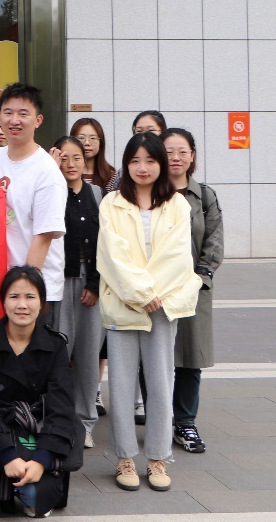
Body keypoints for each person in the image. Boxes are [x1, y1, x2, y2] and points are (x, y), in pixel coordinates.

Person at [97, 133, 202, 492]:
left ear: (161, 164)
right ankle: (125, 457)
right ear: (126, 164)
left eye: (150, 160)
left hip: (162, 306)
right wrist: (139, 293)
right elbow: (111, 254)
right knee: (122, 384)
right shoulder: (112, 203)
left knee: (160, 383)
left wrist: (151, 295)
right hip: (123, 303)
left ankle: (158, 457)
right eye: (135, 161)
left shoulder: (177, 204)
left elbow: (177, 256)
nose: (142, 168)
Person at [0, 266, 79, 522]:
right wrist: (7, 454)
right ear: (3, 301)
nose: (22, 305)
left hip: (37, 425)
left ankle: (23, 482)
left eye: (30, 297)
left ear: (42, 302)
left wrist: (41, 460)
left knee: (35, 500)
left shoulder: (55, 345)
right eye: (14, 296)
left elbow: (61, 406)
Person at [0, 84, 67, 319]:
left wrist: (21, 292)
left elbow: (44, 237)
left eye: (23, 114)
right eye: (8, 112)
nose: (14, 120)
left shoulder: (47, 171)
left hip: (34, 291)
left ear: (38, 120)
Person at [162, 128, 224, 455]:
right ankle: (159, 420)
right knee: (156, 358)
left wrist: (200, 277)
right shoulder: (150, 193)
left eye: (182, 151)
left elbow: (214, 240)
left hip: (194, 289)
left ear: (192, 156)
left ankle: (185, 422)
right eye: (168, 151)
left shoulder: (205, 196)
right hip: (158, 290)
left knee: (189, 359)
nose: (175, 158)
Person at [52, 136, 104, 449]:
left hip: (90, 283)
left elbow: (105, 243)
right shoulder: (49, 191)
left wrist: (95, 284)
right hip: (58, 281)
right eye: (63, 158)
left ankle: (85, 422)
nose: (70, 164)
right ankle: (58, 419)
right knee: (59, 353)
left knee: (87, 356)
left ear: (85, 161)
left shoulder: (97, 194)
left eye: (77, 158)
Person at [70, 118, 115, 190]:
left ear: (100, 142)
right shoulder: (66, 172)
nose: (87, 143)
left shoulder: (111, 176)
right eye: (81, 138)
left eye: (93, 138)